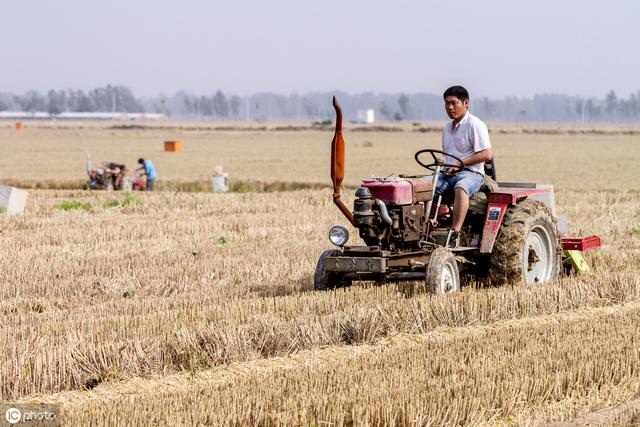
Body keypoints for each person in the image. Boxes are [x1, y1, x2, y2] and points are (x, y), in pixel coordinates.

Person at [436, 85, 492, 248]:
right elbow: (447, 155)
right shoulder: (447, 128)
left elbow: (487, 154)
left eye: (454, 103)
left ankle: (454, 233)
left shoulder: (475, 124)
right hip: (448, 173)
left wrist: (459, 163)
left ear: (466, 103)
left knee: (461, 187)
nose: (450, 107)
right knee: (422, 187)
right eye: (447, 103)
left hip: (471, 173)